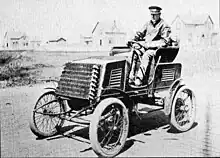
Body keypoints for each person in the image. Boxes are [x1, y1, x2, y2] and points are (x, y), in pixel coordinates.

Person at [128, 5, 172, 86]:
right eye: (151, 14)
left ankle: (139, 79)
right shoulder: (148, 24)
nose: (153, 16)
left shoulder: (164, 25)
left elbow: (164, 41)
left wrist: (148, 45)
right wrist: (133, 40)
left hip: (157, 50)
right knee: (134, 53)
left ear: (159, 14)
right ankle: (130, 78)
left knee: (147, 55)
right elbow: (140, 33)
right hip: (146, 47)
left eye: (155, 14)